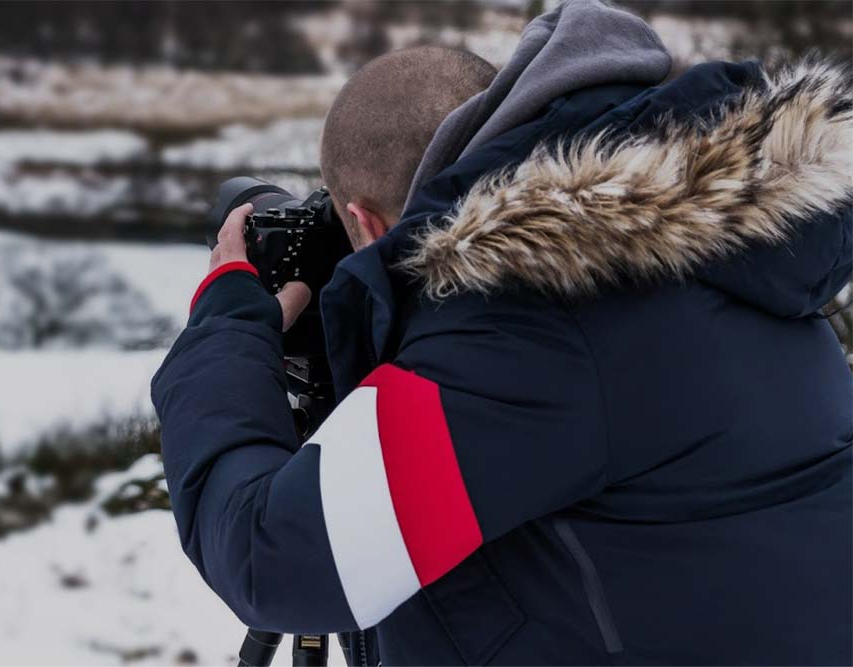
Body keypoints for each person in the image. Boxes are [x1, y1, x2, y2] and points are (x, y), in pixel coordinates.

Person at [151, 0, 853, 663]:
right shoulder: (723, 258)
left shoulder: (524, 333)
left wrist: (228, 320)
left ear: (363, 223)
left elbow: (272, 555)